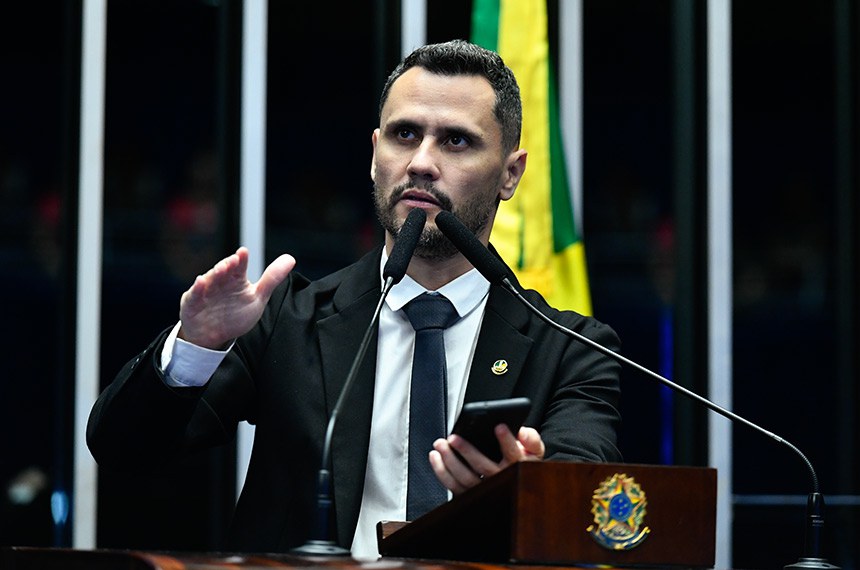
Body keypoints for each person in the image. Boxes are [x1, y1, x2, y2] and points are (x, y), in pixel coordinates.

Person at [87, 39, 622, 559]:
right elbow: (124, 450)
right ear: (374, 155)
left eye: (456, 141)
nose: (421, 162)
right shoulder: (286, 320)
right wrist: (195, 349)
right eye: (405, 134)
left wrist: (531, 491)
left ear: (510, 174)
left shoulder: (572, 349)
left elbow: (590, 502)